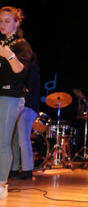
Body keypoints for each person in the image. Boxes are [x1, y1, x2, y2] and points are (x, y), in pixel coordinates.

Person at [0, 6, 33, 198]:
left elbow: (20, 71)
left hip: (11, 97)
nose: (2, 24)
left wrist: (8, 55)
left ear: (16, 22)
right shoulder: (3, 42)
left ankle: (2, 185)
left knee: (4, 142)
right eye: (0, 21)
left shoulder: (21, 45)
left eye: (7, 20)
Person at [10, 50, 40, 180]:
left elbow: (27, 89)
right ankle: (14, 168)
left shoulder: (31, 71)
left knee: (23, 139)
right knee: (15, 140)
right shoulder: (31, 71)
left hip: (28, 107)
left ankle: (27, 170)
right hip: (23, 107)